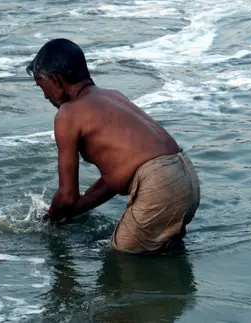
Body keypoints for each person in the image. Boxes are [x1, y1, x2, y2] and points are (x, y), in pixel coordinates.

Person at [27, 38, 200, 254]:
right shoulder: (113, 96)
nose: (44, 94)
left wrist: (48, 219)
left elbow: (67, 195)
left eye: (41, 84)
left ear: (55, 79)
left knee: (118, 262)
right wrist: (71, 213)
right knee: (157, 250)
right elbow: (113, 180)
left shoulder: (68, 114)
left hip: (157, 184)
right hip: (186, 177)